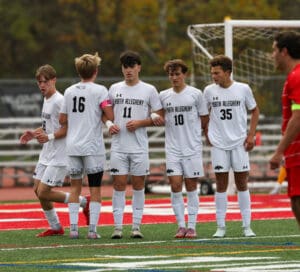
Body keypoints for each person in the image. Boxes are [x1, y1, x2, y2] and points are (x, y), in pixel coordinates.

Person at [20, 64, 89, 237]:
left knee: (44, 191)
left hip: (60, 154)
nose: (42, 85)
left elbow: (67, 128)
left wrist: (49, 137)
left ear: (53, 80)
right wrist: (34, 133)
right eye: (39, 82)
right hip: (47, 152)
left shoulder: (59, 101)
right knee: (37, 190)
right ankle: (56, 227)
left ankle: (83, 202)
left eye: (45, 81)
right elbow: (48, 127)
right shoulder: (46, 99)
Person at [106, 50, 163, 239]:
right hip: (119, 146)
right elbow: (104, 112)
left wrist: (141, 123)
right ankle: (117, 227)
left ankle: (136, 226)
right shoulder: (114, 88)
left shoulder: (149, 90)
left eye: (132, 66)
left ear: (139, 67)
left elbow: (160, 116)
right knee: (119, 184)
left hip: (139, 146)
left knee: (138, 185)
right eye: (125, 67)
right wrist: (109, 124)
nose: (128, 70)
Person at [203, 55, 260, 238]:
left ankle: (246, 226)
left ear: (228, 72)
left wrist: (251, 135)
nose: (214, 76)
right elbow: (204, 114)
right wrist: (206, 133)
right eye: (212, 73)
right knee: (220, 184)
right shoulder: (209, 91)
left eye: (217, 73)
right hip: (219, 144)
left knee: (242, 183)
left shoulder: (243, 89)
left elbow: (255, 110)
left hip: (239, 143)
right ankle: (220, 227)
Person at [59, 53, 114, 239]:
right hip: (92, 146)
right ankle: (92, 230)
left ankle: (73, 229)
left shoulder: (68, 91)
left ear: (78, 70)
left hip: (73, 145)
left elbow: (62, 119)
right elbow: (110, 114)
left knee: (75, 187)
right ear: (95, 71)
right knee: (95, 189)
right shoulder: (100, 90)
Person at [159, 59, 209, 238]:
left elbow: (204, 119)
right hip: (172, 148)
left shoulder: (196, 94)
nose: (174, 77)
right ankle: (181, 225)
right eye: (171, 74)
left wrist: (200, 136)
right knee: (175, 185)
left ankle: (192, 225)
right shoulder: (163, 95)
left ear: (184, 74)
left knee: (191, 186)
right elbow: (158, 115)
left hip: (192, 148)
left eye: (177, 73)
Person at [269, 31, 300, 227]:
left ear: (284, 51)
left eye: (274, 50)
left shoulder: (297, 77)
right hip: (294, 152)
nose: (272, 55)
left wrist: (278, 151)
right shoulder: (293, 77)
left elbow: (298, 116)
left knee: (298, 200)